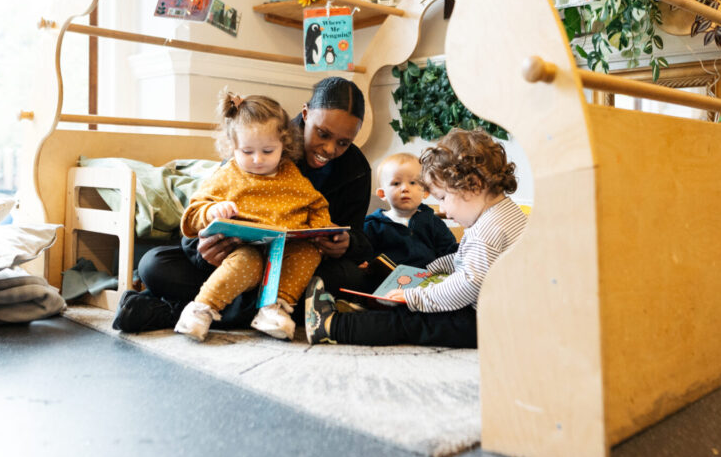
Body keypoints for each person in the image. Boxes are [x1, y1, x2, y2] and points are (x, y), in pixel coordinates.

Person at [113, 76, 373, 334]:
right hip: (237, 261)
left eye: (343, 142)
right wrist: (203, 253)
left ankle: (172, 310)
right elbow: (200, 215)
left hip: (294, 266)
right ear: (305, 113)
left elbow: (359, 236)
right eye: (323, 133)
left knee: (351, 278)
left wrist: (345, 243)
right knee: (153, 265)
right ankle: (268, 311)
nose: (329, 148)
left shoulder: (356, 169)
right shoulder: (262, 138)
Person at [304, 129, 527, 348]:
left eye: (443, 198)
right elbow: (463, 258)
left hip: (486, 323)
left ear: (473, 185)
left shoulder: (486, 232)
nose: (444, 210)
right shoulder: (505, 215)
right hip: (506, 314)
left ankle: (333, 326)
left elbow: (468, 284)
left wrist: (415, 297)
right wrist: (431, 269)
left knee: (408, 322)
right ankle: (362, 313)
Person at [171, 91, 333, 342]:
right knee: (246, 262)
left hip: (285, 247)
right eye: (247, 152)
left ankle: (273, 309)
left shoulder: (290, 173)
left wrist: (321, 228)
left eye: (268, 151)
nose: (258, 160)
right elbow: (192, 213)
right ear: (231, 147)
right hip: (244, 248)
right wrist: (212, 211)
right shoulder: (228, 174)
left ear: (284, 145)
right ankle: (201, 309)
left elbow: (316, 204)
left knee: (309, 254)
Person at [362, 152, 457, 282]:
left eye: (413, 182)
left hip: (428, 282)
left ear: (426, 191)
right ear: (382, 193)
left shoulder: (432, 221)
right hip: (388, 283)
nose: (405, 188)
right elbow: (362, 255)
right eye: (396, 183)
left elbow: (450, 252)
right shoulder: (372, 225)